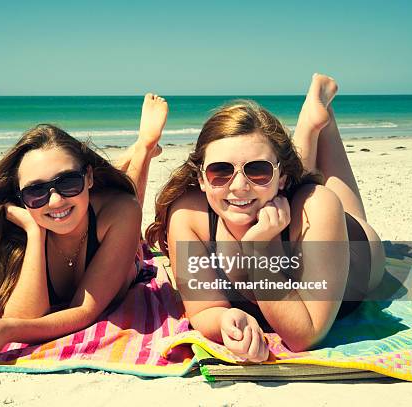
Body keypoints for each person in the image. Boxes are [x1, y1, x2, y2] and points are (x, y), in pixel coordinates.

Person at [145, 74, 385, 362]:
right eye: (220, 171)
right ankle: (311, 121)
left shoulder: (317, 207)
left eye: (257, 169)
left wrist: (257, 252)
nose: (237, 185)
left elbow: (304, 335)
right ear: (202, 178)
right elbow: (204, 309)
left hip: (358, 254)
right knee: (264, 190)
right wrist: (224, 320)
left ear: (280, 176)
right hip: (280, 196)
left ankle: (319, 122)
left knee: (323, 195)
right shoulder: (190, 215)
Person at [0, 94, 168, 361]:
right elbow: (23, 317)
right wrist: (35, 233)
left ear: (89, 177)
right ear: (20, 199)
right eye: (36, 191)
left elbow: (85, 310)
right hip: (79, 206)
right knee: (87, 203)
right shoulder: (19, 227)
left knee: (129, 198)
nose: (54, 199)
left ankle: (144, 147)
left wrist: (10, 332)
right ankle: (130, 153)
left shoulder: (116, 211)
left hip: (121, 249)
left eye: (68, 182)